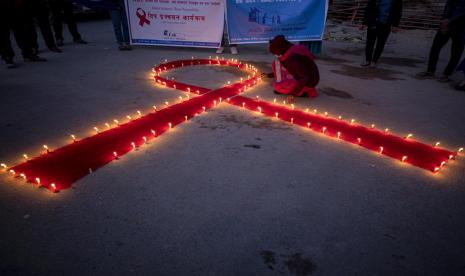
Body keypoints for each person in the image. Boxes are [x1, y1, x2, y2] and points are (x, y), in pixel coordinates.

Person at [417, 0, 465, 82]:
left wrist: (448, 21)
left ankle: (446, 74)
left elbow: (462, 10)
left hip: (461, 26)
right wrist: (444, 21)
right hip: (446, 24)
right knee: (436, 47)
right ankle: (430, 71)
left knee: (456, 52)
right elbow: (448, 7)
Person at [268, 35, 319, 102]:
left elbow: (304, 77)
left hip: (309, 81)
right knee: (276, 64)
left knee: (278, 86)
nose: (276, 55)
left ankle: (304, 91)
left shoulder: (293, 58)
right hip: (307, 77)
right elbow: (286, 69)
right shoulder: (293, 50)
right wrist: (269, 75)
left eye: (276, 53)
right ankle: (302, 89)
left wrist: (293, 93)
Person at [0, 0, 46, 68]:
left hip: (16, 9)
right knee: (4, 35)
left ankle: (28, 53)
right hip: (4, 10)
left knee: (22, 32)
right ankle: (7, 57)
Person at [360, 0, 403, 67]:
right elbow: (369, 9)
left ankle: (374, 61)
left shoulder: (397, 1)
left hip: (386, 23)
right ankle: (368, 60)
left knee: (380, 43)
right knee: (370, 42)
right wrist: (364, 23)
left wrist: (395, 25)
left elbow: (398, 12)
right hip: (373, 22)